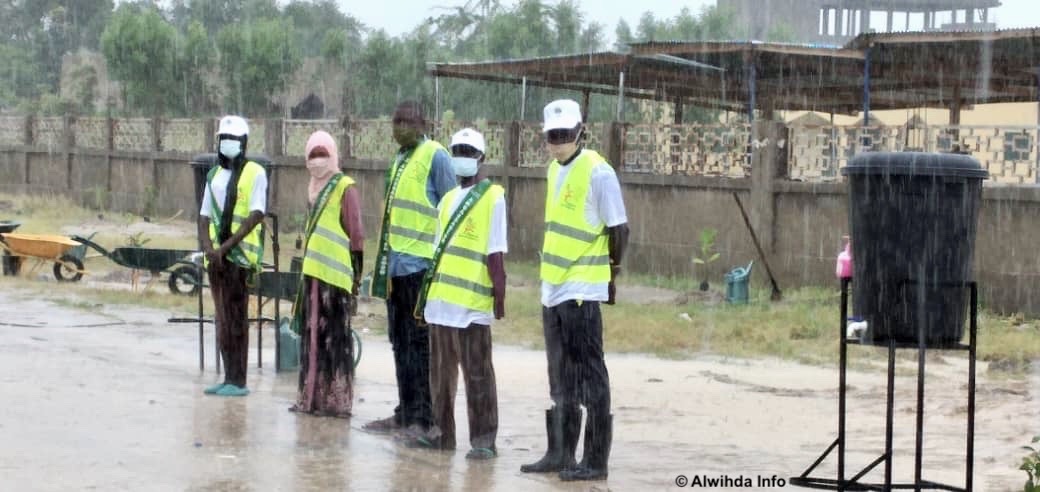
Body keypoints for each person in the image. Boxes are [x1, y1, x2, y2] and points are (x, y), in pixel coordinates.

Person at [520, 99, 629, 481]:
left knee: (590, 374)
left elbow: (619, 229)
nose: (559, 142)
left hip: (582, 288)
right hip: (553, 288)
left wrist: (610, 274)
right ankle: (561, 452)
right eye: (553, 136)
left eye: (565, 135)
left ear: (581, 132)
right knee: (560, 375)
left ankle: (595, 460)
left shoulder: (599, 172)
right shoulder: (554, 171)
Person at [407, 128, 505, 460]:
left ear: (482, 158)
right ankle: (440, 434)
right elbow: (436, 254)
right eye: (456, 150)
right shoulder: (447, 200)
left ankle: (483, 439)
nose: (461, 156)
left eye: (467, 150)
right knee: (440, 377)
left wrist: (500, 297)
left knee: (478, 374)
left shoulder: (493, 197)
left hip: (473, 304)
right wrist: (426, 297)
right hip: (440, 305)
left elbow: (496, 254)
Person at [364, 101, 456, 436]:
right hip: (395, 267)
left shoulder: (436, 155)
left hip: (421, 266)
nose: (400, 126)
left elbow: (450, 207)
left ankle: (423, 417)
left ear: (423, 123)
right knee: (398, 340)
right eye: (396, 120)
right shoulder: (399, 160)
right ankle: (405, 411)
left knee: (419, 343)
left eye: (407, 121)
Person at [289, 130, 365, 417]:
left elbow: (356, 236)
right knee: (311, 340)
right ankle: (311, 399)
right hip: (313, 278)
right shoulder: (312, 189)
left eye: (323, 155)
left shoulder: (346, 187)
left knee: (335, 342)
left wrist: (356, 277)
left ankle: (336, 403)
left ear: (333, 156)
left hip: (336, 280)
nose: (318, 161)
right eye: (312, 155)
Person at [199, 115, 267, 397]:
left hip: (239, 258)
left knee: (237, 320)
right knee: (222, 319)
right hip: (216, 261)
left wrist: (225, 248)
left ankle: (239, 380)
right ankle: (227, 376)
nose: (227, 144)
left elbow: (256, 215)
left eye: (233, 140)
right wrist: (208, 247)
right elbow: (203, 215)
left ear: (244, 143)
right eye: (223, 140)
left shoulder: (255, 173)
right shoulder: (213, 175)